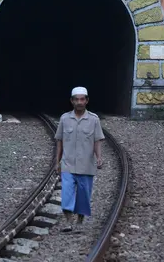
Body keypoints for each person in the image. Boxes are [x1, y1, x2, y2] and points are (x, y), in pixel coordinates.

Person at [54, 86, 105, 233]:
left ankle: (79, 223)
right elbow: (59, 141)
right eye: (76, 99)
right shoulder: (64, 119)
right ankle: (69, 222)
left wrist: (99, 157)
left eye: (82, 99)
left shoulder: (94, 120)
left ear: (87, 101)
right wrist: (57, 162)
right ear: (71, 101)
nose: (79, 102)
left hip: (86, 165)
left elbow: (97, 141)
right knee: (66, 195)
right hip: (67, 164)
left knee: (84, 197)